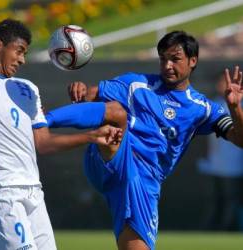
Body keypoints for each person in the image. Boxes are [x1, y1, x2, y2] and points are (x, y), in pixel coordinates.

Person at [47, 31, 243, 250]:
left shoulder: (203, 109)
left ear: (193, 61)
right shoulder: (136, 84)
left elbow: (239, 138)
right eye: (163, 59)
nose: (167, 65)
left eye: (175, 59)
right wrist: (82, 93)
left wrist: (235, 108)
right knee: (117, 112)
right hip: (111, 159)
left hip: (145, 183)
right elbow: (93, 95)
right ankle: (43, 121)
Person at [0, 19, 122, 250]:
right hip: (1, 193)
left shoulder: (27, 89)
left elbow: (44, 143)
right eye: (19, 51)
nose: (22, 59)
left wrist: (92, 136)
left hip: (34, 193)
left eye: (25, 53)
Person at [197, 75, 243, 231]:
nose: (221, 85)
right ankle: (210, 230)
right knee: (213, 199)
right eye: (220, 82)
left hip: (233, 165)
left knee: (231, 200)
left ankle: (226, 229)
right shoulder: (214, 105)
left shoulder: (239, 105)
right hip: (213, 164)